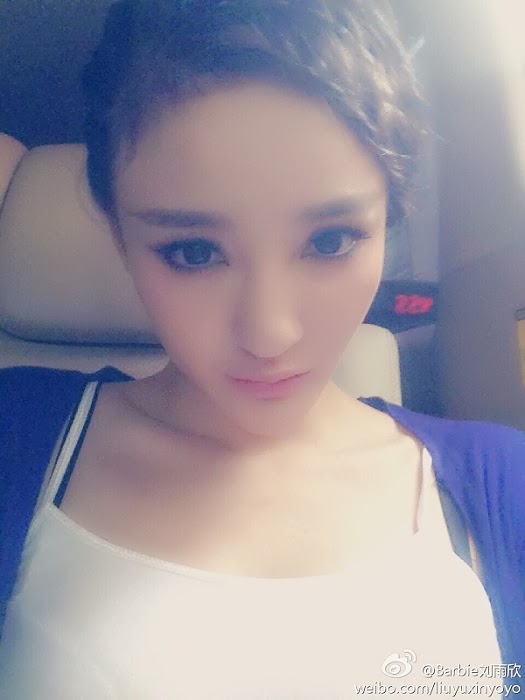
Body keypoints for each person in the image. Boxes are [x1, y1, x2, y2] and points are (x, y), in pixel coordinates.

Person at [0, 0, 524, 697]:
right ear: (119, 235)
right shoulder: (14, 434)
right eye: (193, 251)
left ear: (388, 220)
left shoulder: (505, 483)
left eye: (330, 241)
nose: (269, 334)